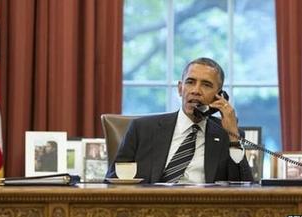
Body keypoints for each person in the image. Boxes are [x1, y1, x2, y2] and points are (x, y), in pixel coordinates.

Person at [106, 57, 253, 183]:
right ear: (180, 88)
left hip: (204, 211)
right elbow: (112, 181)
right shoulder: (142, 129)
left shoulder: (226, 135)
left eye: (206, 85)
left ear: (219, 95)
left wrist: (233, 137)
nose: (196, 90)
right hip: (150, 210)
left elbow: (243, 189)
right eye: (190, 82)